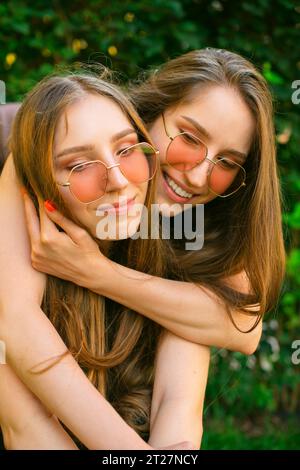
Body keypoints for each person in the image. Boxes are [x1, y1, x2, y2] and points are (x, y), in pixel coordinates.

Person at [0, 70, 209, 449]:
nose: (116, 179)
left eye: (127, 150)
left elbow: (178, 414)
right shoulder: (12, 282)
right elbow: (28, 431)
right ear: (41, 191)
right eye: (79, 166)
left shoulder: (178, 252)